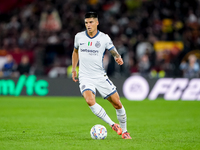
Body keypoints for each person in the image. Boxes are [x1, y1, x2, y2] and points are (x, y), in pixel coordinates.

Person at [71, 12, 131, 139]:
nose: (88, 25)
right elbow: (75, 52)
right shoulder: (79, 37)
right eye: (86, 22)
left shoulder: (104, 38)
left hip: (100, 76)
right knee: (89, 100)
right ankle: (112, 124)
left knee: (117, 104)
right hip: (85, 76)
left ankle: (125, 131)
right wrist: (73, 69)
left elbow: (113, 50)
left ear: (97, 23)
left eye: (91, 22)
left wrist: (118, 57)